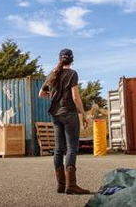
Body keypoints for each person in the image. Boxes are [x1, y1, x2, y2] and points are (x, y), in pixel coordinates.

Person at [38, 48, 90, 195]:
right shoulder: (72, 74)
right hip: (69, 114)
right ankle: (71, 185)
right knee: (72, 148)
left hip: (56, 115)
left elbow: (41, 94)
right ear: (72, 60)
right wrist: (84, 115)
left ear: (60, 59)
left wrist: (55, 96)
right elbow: (75, 97)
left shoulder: (52, 74)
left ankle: (61, 185)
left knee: (59, 149)